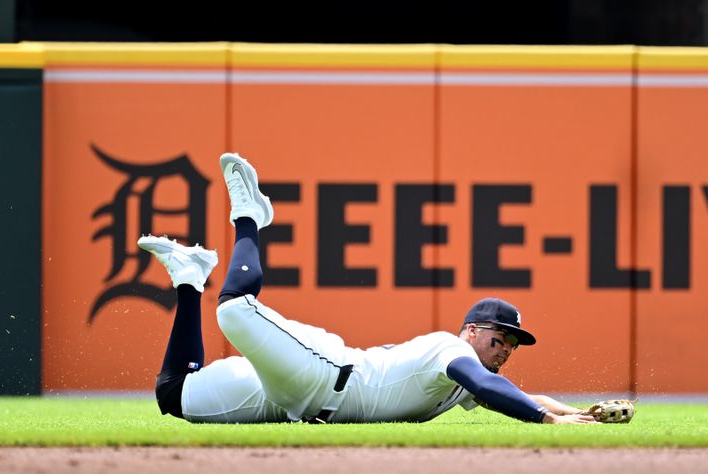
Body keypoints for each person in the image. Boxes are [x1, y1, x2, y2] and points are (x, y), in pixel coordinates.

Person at [139, 153, 597, 425]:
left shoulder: (469, 379)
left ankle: (188, 278)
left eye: (512, 346)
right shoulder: (449, 351)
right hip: (323, 374)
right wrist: (546, 422)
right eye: (500, 339)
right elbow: (489, 385)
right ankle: (251, 216)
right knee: (235, 311)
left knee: (174, 396)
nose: (505, 350)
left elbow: (515, 394)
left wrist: (574, 413)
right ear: (471, 331)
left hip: (293, 404)